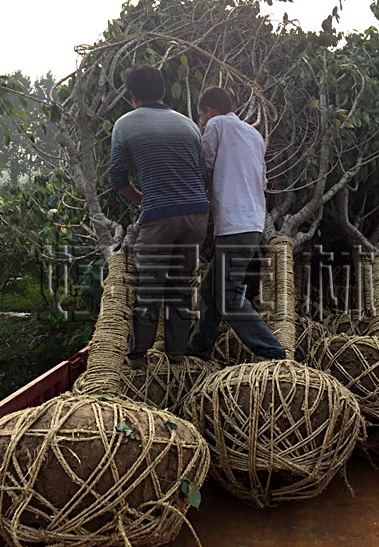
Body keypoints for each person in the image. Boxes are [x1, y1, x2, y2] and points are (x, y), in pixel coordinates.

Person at [109, 65, 210, 367]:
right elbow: (203, 172)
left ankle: (138, 356)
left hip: (159, 215)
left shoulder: (125, 125)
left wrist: (142, 199)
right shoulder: (189, 125)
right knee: (181, 286)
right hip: (196, 215)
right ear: (164, 91)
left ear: (132, 96)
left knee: (150, 287)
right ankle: (176, 354)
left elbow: (117, 178)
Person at [184, 86, 286, 361]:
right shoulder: (253, 134)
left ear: (209, 110)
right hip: (252, 221)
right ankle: (199, 348)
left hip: (234, 222)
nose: (203, 122)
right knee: (211, 288)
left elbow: (203, 166)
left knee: (226, 292)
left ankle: (270, 350)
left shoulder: (217, 124)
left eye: (202, 116)